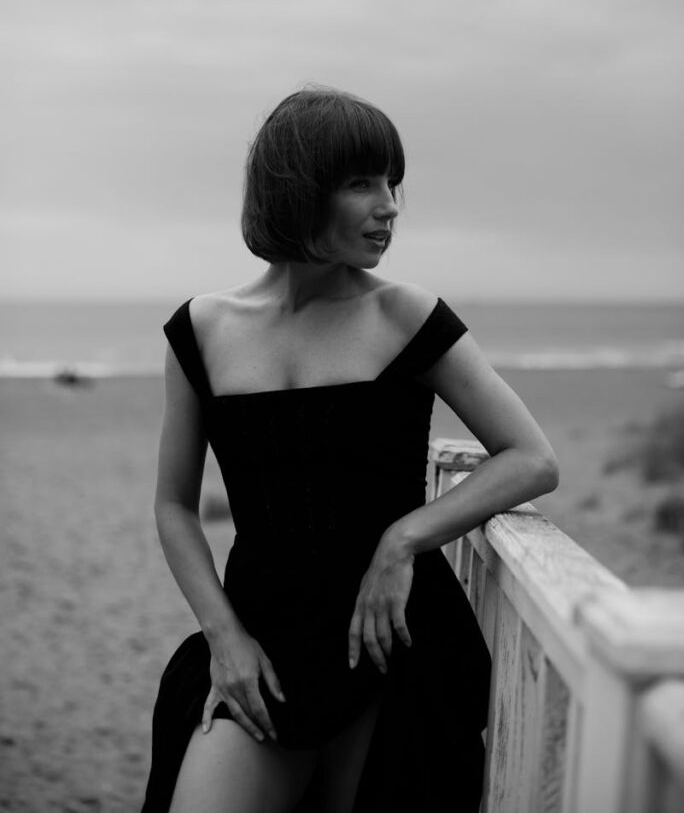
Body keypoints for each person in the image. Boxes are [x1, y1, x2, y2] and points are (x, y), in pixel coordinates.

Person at [141, 87, 559, 813]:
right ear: (299, 190)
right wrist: (224, 637)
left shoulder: (407, 315)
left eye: (394, 183)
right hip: (263, 644)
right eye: (362, 183)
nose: (390, 205)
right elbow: (176, 505)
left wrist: (402, 540)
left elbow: (531, 457)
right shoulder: (200, 331)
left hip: (394, 639)